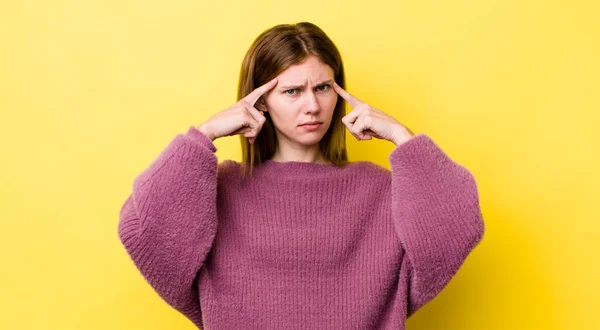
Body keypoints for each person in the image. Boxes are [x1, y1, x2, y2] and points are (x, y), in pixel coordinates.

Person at [117, 21, 485, 329]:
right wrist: (204, 135)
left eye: (323, 87)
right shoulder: (220, 190)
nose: (313, 106)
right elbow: (142, 232)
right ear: (260, 101)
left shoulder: (379, 189)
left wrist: (403, 138)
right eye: (292, 91)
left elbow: (460, 226)